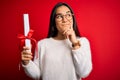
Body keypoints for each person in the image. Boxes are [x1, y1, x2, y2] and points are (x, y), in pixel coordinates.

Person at [21, 2, 92, 80]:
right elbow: (37, 75)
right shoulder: (42, 44)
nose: (65, 20)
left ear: (72, 18)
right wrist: (27, 63)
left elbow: (84, 72)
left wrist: (75, 43)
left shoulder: (82, 42)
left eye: (68, 15)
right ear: (54, 22)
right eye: (59, 16)